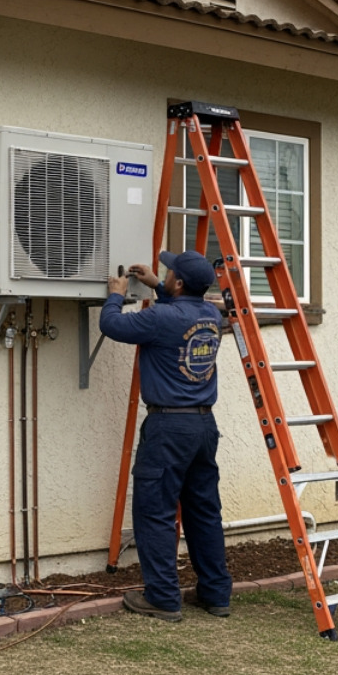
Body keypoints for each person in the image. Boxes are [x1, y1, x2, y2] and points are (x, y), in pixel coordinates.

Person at [99, 249, 232, 622]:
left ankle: (162, 598)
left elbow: (112, 326)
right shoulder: (209, 313)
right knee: (203, 512)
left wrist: (116, 292)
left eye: (169, 271)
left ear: (178, 282)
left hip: (168, 428)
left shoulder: (161, 318)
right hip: (204, 426)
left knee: (155, 512)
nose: (165, 272)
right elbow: (180, 314)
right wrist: (159, 286)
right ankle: (215, 594)